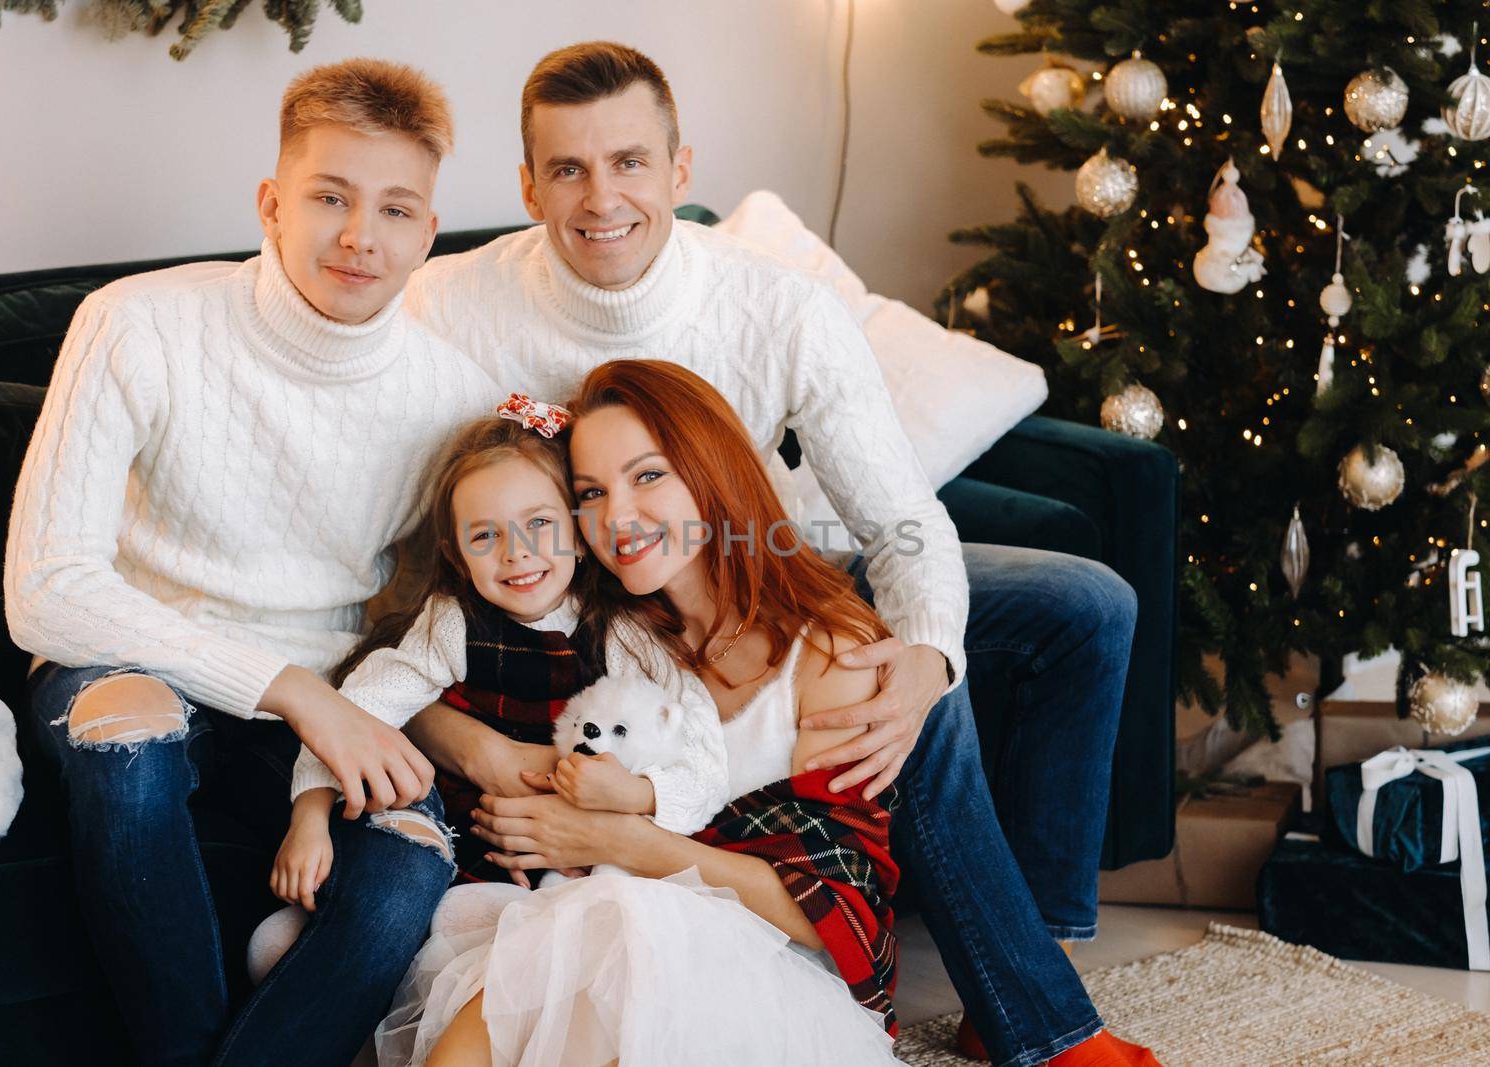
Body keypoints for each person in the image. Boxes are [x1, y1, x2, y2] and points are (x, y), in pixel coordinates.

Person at [403, 42, 1148, 1067]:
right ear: (527, 185)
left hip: (774, 559)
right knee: (898, 661)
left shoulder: (774, 306)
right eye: (566, 169)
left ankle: (1028, 974)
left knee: (1064, 612)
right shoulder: (450, 305)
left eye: (628, 162)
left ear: (680, 170)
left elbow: (899, 517)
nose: (600, 196)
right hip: (615, 591)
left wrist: (927, 654)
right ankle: (1045, 1021)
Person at [3, 58, 501, 1066]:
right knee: (129, 749)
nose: (360, 234)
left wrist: (368, 712)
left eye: (395, 210)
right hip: (130, 656)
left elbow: (449, 609)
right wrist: (291, 691)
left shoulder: (454, 395)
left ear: (427, 234)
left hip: (332, 682)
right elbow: (46, 586)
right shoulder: (136, 322)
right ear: (273, 204)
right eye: (330, 197)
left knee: (409, 864)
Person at [380, 359, 906, 1067]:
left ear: (711, 472)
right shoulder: (606, 623)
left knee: (626, 919)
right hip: (590, 924)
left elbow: (838, 908)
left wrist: (613, 839)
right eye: (590, 492)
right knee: (595, 937)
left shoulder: (831, 654)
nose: (617, 517)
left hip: (767, 968)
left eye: (648, 475)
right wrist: (483, 750)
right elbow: (408, 680)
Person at [248, 401, 728, 976]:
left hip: (569, 851)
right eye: (485, 536)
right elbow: (355, 712)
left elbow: (703, 754)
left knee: (554, 927)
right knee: (281, 942)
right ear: (457, 553)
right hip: (461, 831)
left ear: (580, 535)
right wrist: (309, 819)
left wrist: (638, 794)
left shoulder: (624, 633)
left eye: (541, 524)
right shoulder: (452, 625)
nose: (517, 552)